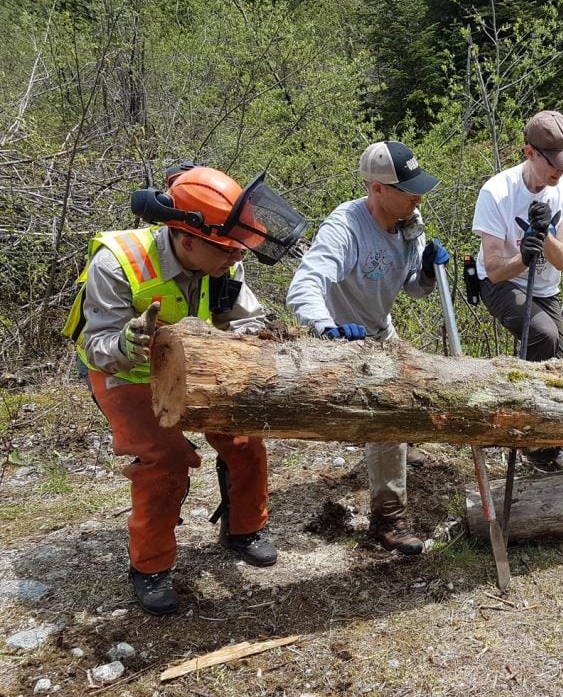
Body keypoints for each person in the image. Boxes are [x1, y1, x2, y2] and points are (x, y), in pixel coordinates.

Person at [63, 165, 306, 615]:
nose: (236, 260)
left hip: (194, 367)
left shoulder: (222, 261)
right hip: (124, 372)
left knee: (245, 435)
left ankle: (244, 529)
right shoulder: (118, 261)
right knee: (165, 458)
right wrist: (127, 343)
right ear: (188, 238)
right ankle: (150, 568)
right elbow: (96, 346)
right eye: (228, 251)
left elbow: (246, 319)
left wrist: (267, 337)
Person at [286, 140, 449, 555]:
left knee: (417, 388)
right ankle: (388, 519)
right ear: (377, 188)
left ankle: (394, 452)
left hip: (380, 331)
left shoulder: (410, 218)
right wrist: (324, 328)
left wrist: (427, 272)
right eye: (407, 188)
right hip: (345, 339)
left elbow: (413, 288)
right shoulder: (346, 227)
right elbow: (306, 283)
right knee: (387, 418)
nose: (418, 196)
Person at [472, 110, 563, 471]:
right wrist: (524, 255)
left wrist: (546, 234)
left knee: (559, 368)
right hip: (500, 282)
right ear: (530, 153)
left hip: (546, 289)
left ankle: (544, 439)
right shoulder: (497, 192)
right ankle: (533, 444)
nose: (562, 171)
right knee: (541, 334)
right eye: (555, 164)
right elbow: (493, 268)